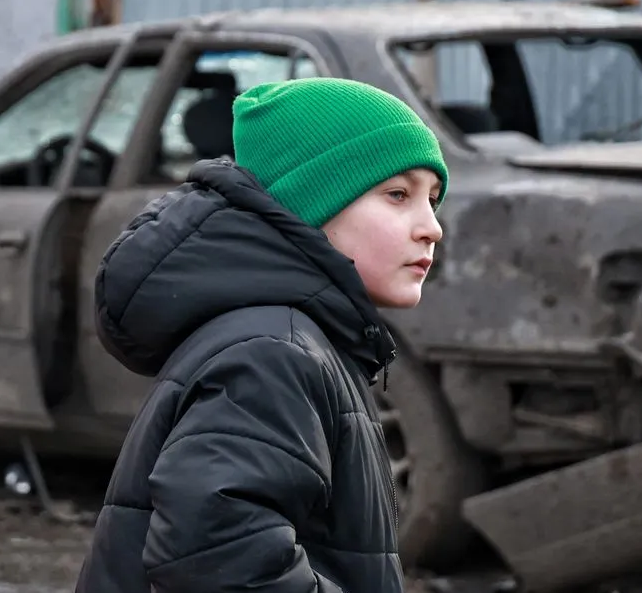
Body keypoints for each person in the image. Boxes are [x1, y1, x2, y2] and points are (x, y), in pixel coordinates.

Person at [74, 77, 449, 593]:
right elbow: (218, 557)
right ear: (311, 201)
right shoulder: (274, 353)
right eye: (398, 195)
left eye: (433, 199)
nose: (431, 227)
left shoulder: (295, 339)